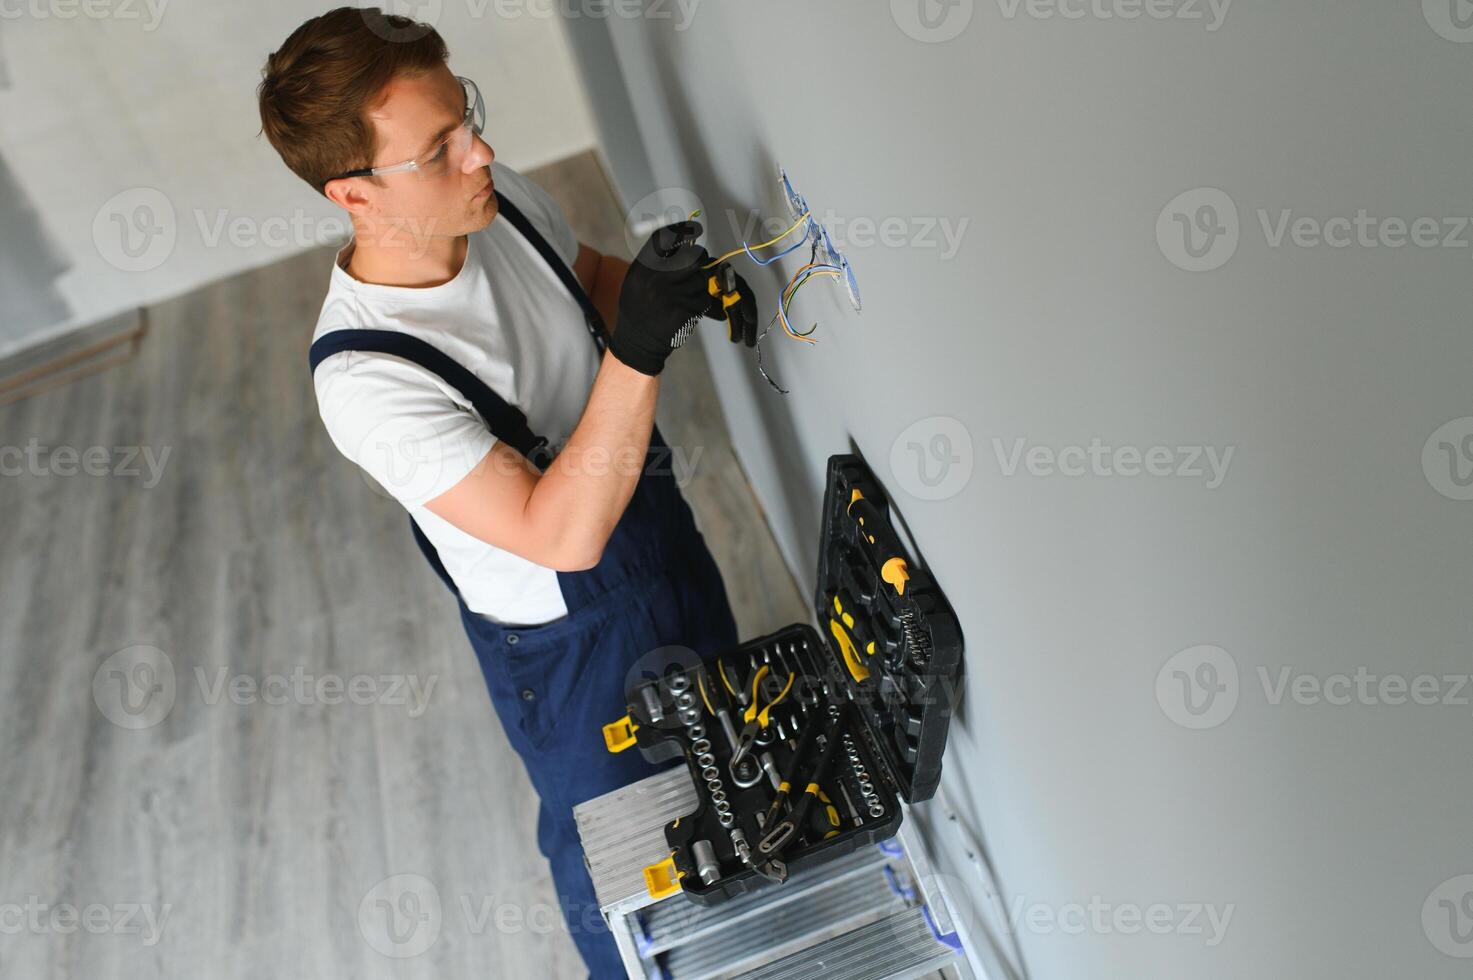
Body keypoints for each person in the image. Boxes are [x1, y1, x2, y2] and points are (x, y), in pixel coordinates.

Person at [257, 8, 757, 975]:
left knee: (728, 752)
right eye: (438, 148)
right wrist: (645, 347)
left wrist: (677, 289)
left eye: (467, 117)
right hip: (570, 638)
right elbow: (557, 532)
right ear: (354, 195)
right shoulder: (368, 379)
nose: (478, 150)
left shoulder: (496, 198)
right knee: (627, 860)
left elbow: (586, 285)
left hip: (653, 531)